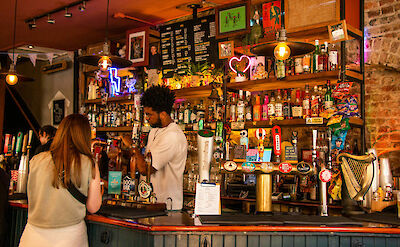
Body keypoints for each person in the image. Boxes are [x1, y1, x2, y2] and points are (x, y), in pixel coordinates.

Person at [19, 114, 102, 247]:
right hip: (69, 237)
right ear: (84, 136)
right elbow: (93, 207)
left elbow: (31, 194)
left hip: (32, 235)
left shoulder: (36, 160)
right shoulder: (88, 162)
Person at [130, 86, 187, 210]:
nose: (146, 117)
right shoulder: (155, 131)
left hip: (167, 206)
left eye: (149, 114)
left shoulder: (172, 136)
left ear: (163, 114)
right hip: (151, 203)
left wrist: (133, 146)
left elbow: (146, 169)